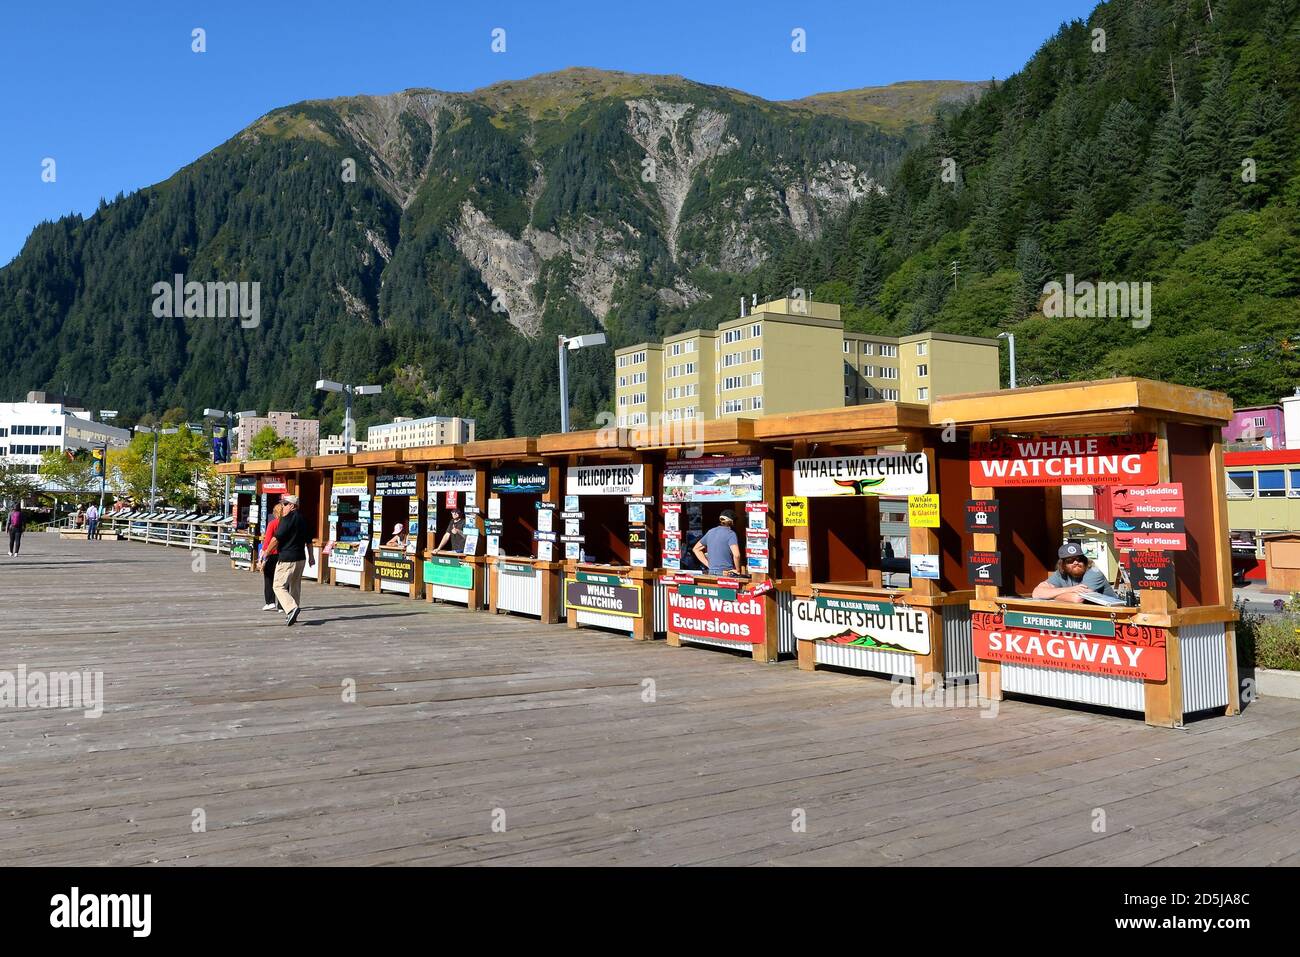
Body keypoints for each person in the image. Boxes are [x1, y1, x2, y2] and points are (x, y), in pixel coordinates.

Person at [259, 494, 313, 626]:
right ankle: (293, 614)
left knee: (278, 585)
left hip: (287, 558)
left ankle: (291, 608)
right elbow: (309, 541)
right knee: (295, 587)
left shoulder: (287, 519)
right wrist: (311, 557)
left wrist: (266, 553)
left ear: (292, 506)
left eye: (284, 504)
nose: (282, 507)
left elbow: (276, 538)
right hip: (301, 558)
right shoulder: (303, 519)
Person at [1032, 542, 1117, 603]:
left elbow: (1077, 599)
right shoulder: (1060, 574)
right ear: (1062, 564)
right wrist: (1071, 589)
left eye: (1079, 559)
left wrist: (1050, 595)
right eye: (1070, 560)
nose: (1076, 562)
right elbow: (1036, 593)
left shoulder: (1094, 572)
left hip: (1112, 616)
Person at [692, 509, 741, 576]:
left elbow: (696, 549)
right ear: (732, 522)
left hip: (712, 572)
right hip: (726, 572)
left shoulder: (710, 532)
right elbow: (736, 555)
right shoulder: (731, 534)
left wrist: (709, 565)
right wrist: (738, 570)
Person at [258, 503, 284, 611]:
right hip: (284, 555)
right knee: (283, 580)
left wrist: (263, 553)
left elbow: (268, 540)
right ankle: (282, 605)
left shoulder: (272, 524)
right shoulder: (286, 524)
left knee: (269, 578)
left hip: (272, 554)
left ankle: (270, 602)